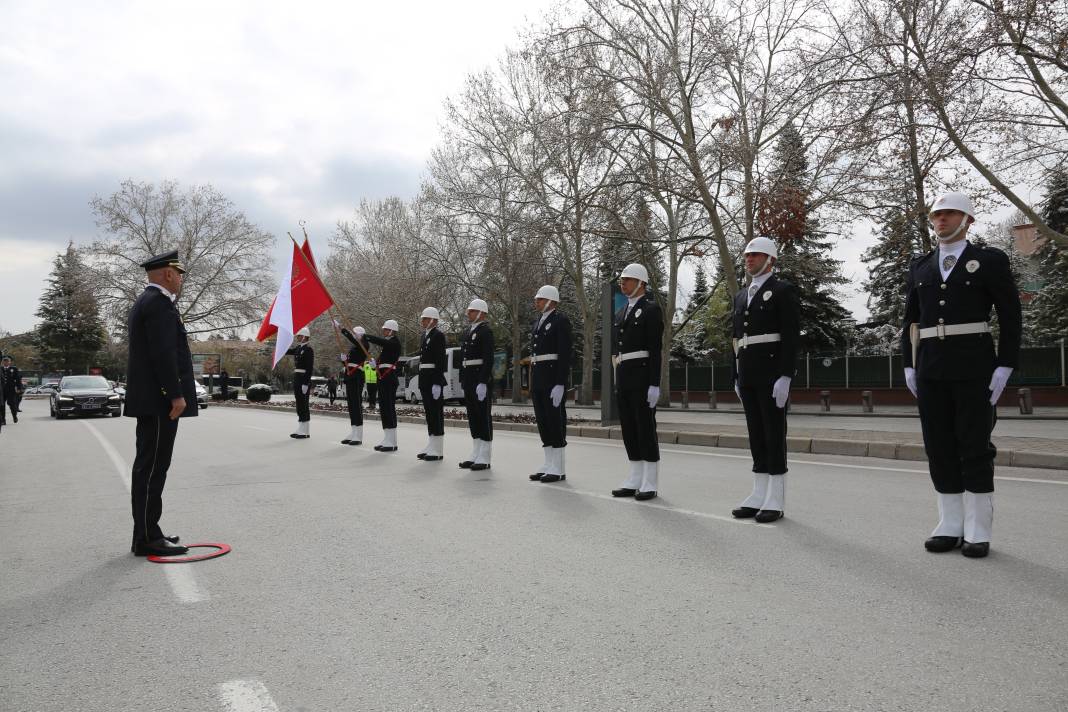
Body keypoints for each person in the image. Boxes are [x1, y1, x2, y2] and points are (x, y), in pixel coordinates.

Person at [901, 192, 1022, 558]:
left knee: (974, 446)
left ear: (968, 219)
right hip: (931, 367)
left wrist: (1005, 363)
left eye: (950, 214)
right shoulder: (920, 265)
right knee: (939, 447)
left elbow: (1010, 314)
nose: (941, 220)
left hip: (974, 365)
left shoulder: (987, 261)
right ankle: (949, 524)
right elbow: (910, 320)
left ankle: (978, 529)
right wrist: (909, 363)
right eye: (937, 215)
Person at [124, 249, 196, 557]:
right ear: (168, 273)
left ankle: (147, 531)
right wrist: (175, 394)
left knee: (152, 468)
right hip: (159, 402)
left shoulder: (150, 302)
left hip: (155, 400)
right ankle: (146, 538)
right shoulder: (158, 304)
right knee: (152, 469)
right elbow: (163, 354)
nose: (180, 279)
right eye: (179, 273)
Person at [730, 237, 799, 524]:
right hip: (748, 373)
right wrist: (735, 374)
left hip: (771, 374)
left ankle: (776, 498)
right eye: (747, 256)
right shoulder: (741, 295)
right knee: (756, 435)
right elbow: (735, 340)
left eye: (756, 255)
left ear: (770, 260)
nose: (749, 259)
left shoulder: (782, 291)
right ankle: (758, 493)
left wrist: (785, 375)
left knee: (773, 434)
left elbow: (791, 336)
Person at [610, 264, 664, 501]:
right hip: (624, 376)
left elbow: (655, 349)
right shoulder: (621, 313)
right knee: (629, 429)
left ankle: (650, 480)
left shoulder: (651, 309)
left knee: (644, 428)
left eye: (628, 280)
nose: (623, 283)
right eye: (622, 280)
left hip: (642, 377)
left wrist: (654, 383)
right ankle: (634, 476)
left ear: (641, 283)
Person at [529, 285, 572, 483]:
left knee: (555, 420)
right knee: (543, 421)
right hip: (538, 378)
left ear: (550, 301)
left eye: (539, 299)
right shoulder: (538, 322)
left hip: (552, 378)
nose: (536, 302)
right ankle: (548, 463)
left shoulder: (560, 321)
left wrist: (560, 383)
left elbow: (564, 354)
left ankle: (559, 467)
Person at [458, 298, 495, 471]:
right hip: (469, 379)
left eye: (472, 311)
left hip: (479, 379)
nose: (469, 313)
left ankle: (485, 456)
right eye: (469, 311)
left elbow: (488, 359)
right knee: (473, 417)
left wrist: (483, 381)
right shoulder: (467, 332)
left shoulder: (485, 331)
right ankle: (476, 452)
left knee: (483, 417)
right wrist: (462, 379)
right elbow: (463, 359)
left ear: (481, 313)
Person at [363, 319, 402, 452]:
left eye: (386, 329)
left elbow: (382, 342)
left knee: (389, 408)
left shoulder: (394, 342)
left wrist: (366, 336)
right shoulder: (387, 346)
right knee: (384, 409)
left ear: (392, 330)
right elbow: (382, 363)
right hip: (383, 379)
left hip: (389, 379)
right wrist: (375, 365)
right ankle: (387, 438)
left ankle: (392, 441)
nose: (384, 331)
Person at [416, 307, 447, 462]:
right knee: (429, 414)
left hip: (433, 378)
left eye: (424, 319)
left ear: (433, 320)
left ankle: (438, 449)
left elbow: (440, 360)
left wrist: (437, 382)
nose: (422, 321)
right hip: (424, 377)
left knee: (436, 413)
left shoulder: (438, 335)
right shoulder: (424, 335)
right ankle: (431, 444)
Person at [338, 325, 369, 445]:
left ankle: (359, 435)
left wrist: (342, 329)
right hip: (350, 375)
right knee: (351, 405)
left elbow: (353, 340)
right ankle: (353, 431)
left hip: (357, 376)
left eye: (355, 334)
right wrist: (344, 359)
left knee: (356, 404)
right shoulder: (354, 347)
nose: (354, 336)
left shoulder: (364, 345)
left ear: (361, 335)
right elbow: (349, 362)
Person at [286, 327, 314, 439]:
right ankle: (302, 428)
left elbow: (309, 368)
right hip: (297, 377)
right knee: (299, 404)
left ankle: (305, 430)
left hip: (303, 379)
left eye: (298, 336)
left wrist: (306, 383)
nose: (297, 338)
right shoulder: (298, 348)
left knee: (303, 404)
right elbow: (288, 351)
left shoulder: (308, 350)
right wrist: (280, 346)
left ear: (304, 336)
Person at [1, 356, 21, 423]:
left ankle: (14, 416)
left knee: (12, 404)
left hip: (11, 390)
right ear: (3, 362)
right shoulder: (0, 369)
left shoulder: (14, 369)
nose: (6, 362)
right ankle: (3, 420)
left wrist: (18, 388)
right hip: (2, 390)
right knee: (2, 405)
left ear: (10, 362)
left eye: (7, 361)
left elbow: (18, 379)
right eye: (5, 361)